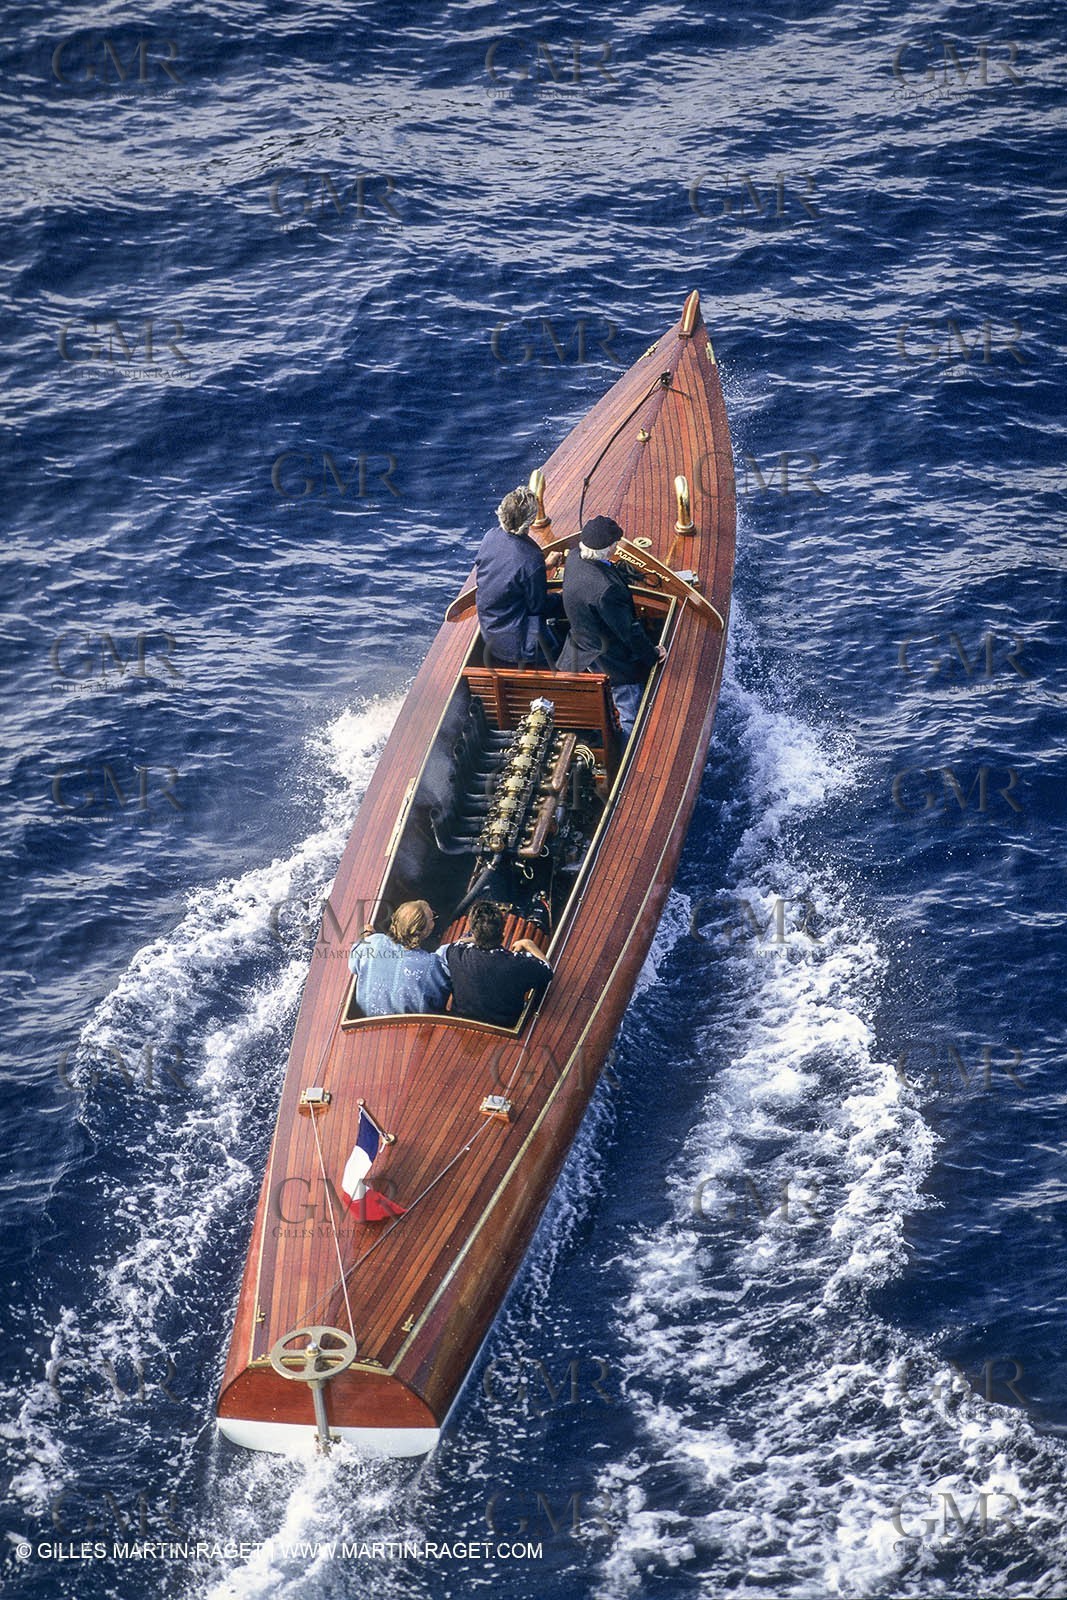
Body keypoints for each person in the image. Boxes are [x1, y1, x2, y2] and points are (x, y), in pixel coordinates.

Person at [556, 514, 666, 737]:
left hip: (580, 651)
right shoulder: (607, 590)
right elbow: (629, 632)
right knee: (631, 717)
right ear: (609, 549)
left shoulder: (575, 558)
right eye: (616, 543)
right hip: (611, 663)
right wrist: (653, 654)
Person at [475, 485, 564, 667]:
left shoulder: (491, 537)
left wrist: (543, 566)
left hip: (491, 633)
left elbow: (510, 572)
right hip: (520, 646)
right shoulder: (530, 559)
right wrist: (563, 597)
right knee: (564, 644)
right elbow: (538, 606)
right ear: (529, 522)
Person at [440, 901, 552, 1028]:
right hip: (506, 1028)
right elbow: (547, 970)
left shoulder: (455, 953)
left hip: (462, 1024)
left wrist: (478, 937)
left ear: (474, 932)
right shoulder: (517, 964)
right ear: (502, 932)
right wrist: (528, 944)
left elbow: (459, 942)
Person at [348, 900, 450, 1016]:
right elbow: (440, 999)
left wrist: (364, 937)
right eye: (432, 919)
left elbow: (352, 965)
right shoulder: (432, 965)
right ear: (425, 931)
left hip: (369, 1022)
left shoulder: (373, 943)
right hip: (413, 1025)